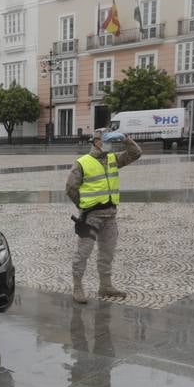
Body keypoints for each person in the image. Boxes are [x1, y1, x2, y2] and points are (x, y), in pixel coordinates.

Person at [66, 129, 143, 304]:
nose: (108, 142)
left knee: (107, 253)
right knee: (83, 253)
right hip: (90, 217)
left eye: (110, 139)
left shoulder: (113, 159)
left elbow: (136, 153)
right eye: (105, 139)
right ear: (96, 141)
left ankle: (105, 286)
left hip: (110, 216)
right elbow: (70, 188)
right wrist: (83, 205)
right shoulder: (82, 163)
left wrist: (126, 139)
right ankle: (77, 286)